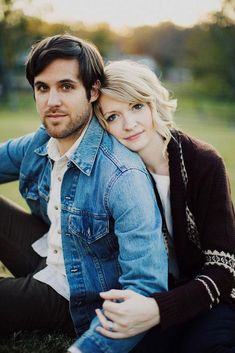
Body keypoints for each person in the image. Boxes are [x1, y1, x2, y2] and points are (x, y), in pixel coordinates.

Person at [0, 36, 168, 353]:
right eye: (42, 87)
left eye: (66, 86)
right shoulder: (41, 142)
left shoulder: (121, 175)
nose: (52, 101)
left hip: (79, 290)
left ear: (91, 91)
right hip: (48, 253)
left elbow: (146, 286)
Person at [94, 60, 235, 353]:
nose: (129, 124)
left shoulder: (203, 162)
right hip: (154, 292)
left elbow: (224, 269)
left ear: (153, 103)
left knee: (207, 347)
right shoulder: (115, 174)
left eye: (136, 107)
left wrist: (158, 310)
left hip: (214, 294)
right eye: (113, 116)